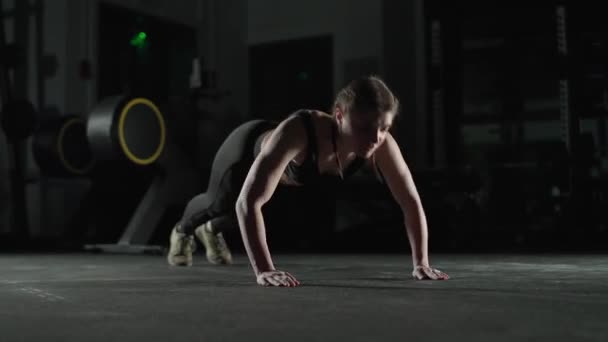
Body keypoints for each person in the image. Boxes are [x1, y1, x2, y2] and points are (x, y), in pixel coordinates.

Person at [167, 75, 449, 286]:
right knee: (218, 203)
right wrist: (264, 270)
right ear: (339, 116)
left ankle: (211, 232)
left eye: (384, 128)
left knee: (239, 214)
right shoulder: (300, 130)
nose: (375, 138)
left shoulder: (380, 143)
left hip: (286, 175)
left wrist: (421, 262)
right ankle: (182, 231)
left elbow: (410, 201)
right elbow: (248, 203)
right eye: (364, 127)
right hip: (245, 149)